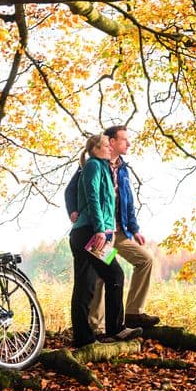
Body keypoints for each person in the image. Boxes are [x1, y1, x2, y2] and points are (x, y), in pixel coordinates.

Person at [67, 133, 141, 347]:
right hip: (90, 233)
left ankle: (84, 338)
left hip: (91, 233)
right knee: (114, 274)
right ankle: (115, 330)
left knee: (86, 285)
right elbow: (93, 198)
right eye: (107, 145)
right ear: (97, 148)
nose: (111, 148)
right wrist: (100, 230)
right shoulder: (93, 166)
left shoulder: (102, 168)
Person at [88, 125, 159, 331]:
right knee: (104, 275)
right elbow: (74, 190)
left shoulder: (124, 168)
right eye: (124, 139)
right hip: (101, 231)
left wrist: (135, 228)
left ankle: (134, 313)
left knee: (145, 260)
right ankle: (96, 328)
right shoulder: (95, 164)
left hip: (120, 232)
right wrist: (74, 211)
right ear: (111, 142)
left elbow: (128, 201)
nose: (128, 143)